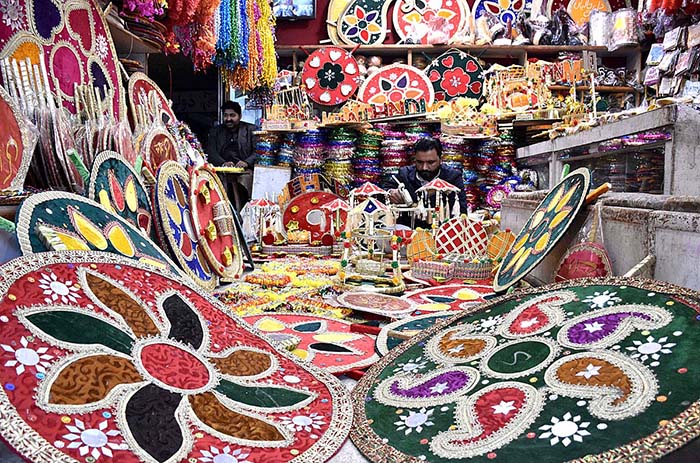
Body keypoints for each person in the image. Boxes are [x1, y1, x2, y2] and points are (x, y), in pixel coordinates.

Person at [388, 137, 468, 229]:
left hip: (442, 232)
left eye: (430, 162)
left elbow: (462, 212)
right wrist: (391, 193)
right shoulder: (404, 174)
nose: (424, 167)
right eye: (420, 162)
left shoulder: (452, 177)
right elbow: (385, 190)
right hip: (409, 232)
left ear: (440, 159)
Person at [206, 101, 256, 208]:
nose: (228, 119)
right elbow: (211, 152)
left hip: (244, 171)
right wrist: (223, 163)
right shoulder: (216, 131)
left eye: (232, 115)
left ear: (240, 116)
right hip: (222, 171)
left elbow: (258, 152)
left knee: (246, 187)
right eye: (225, 115)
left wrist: (246, 162)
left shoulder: (251, 130)